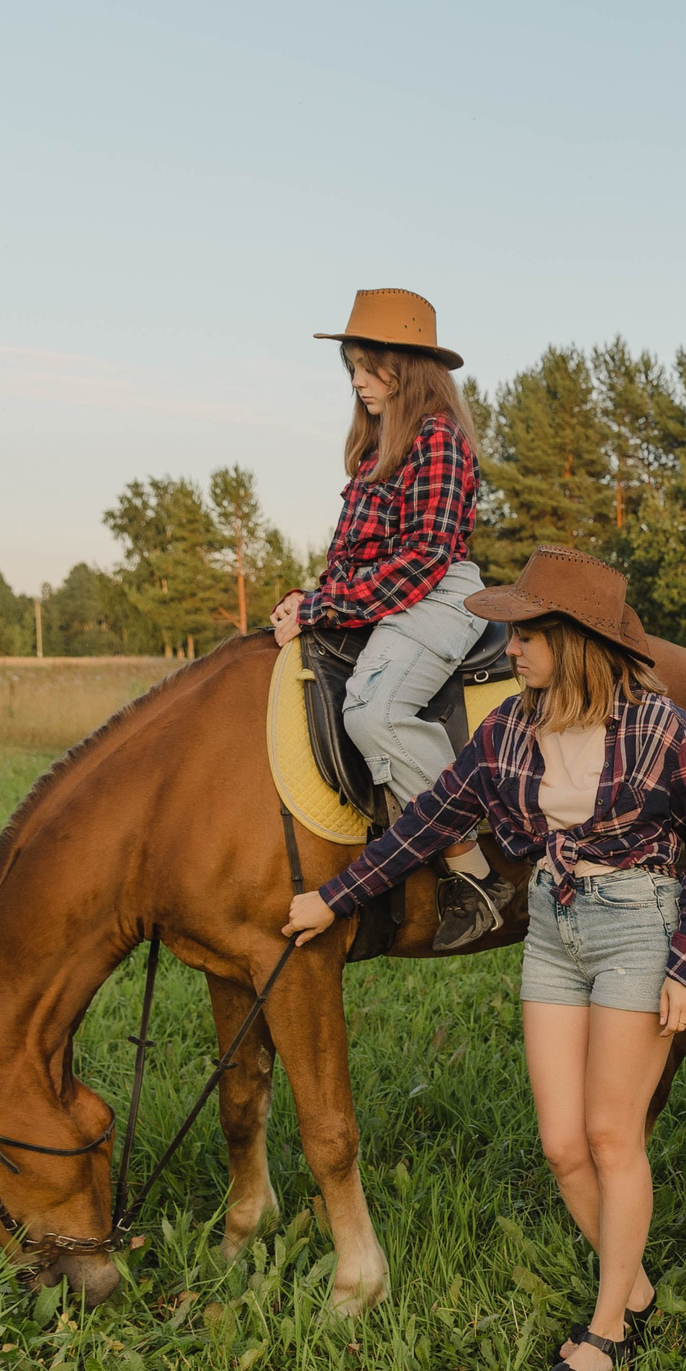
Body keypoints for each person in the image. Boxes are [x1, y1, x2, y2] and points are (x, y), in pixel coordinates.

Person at [284, 547, 686, 1371]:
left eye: (525, 633)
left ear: (574, 640)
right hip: (555, 928)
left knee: (611, 1137)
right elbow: (426, 823)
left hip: (639, 924)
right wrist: (333, 898)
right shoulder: (507, 731)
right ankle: (633, 1287)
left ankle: (606, 1330)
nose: (508, 646)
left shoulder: (662, 728)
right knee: (562, 1145)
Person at [269, 287, 512, 948]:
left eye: (368, 367)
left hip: (436, 595)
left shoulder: (439, 439)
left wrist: (323, 606)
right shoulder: (376, 449)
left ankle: (472, 870)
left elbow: (422, 560)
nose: (357, 380)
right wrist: (308, 600)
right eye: (352, 366)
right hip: (389, 594)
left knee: (373, 712)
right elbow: (352, 559)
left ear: (405, 369)